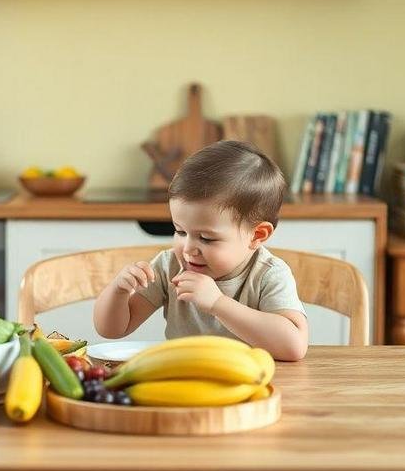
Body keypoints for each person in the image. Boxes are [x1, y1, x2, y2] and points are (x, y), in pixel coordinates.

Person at [92, 140, 308, 361]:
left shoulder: (269, 274)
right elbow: (112, 330)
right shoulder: (170, 266)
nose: (187, 249)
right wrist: (118, 291)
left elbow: (293, 347)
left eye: (206, 238)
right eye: (180, 231)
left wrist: (217, 303)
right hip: (184, 381)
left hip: (252, 385)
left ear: (257, 235)